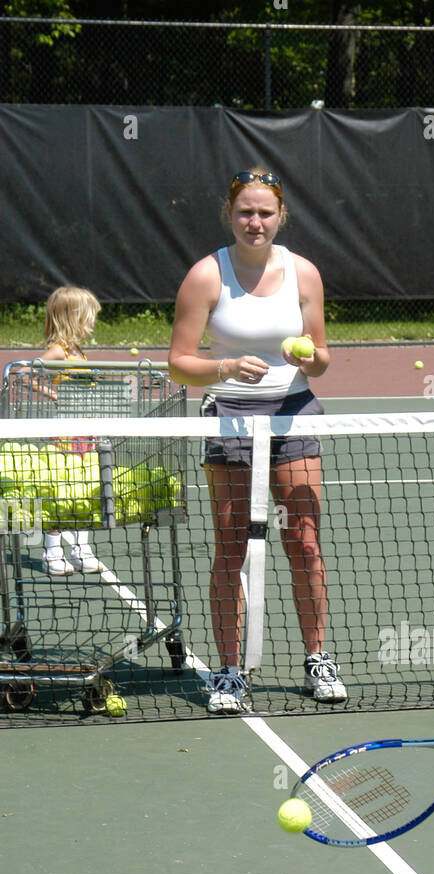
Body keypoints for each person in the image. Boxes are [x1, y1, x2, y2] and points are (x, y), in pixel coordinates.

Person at [168, 167, 346, 713]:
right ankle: (228, 671)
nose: (255, 221)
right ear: (230, 214)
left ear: (281, 216)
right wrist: (222, 367)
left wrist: (306, 357)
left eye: (265, 212)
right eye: (245, 211)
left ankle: (318, 659)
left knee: (305, 543)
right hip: (230, 420)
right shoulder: (206, 276)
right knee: (230, 551)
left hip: (293, 415)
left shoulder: (305, 274)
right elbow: (179, 364)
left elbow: (322, 360)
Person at [36, 286, 105, 577]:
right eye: (88, 318)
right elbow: (22, 372)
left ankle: (81, 549)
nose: (92, 324)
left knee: (85, 490)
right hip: (66, 435)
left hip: (86, 433)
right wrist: (54, 395)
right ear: (71, 317)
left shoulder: (79, 352)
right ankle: (52, 552)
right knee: (60, 491)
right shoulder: (59, 352)